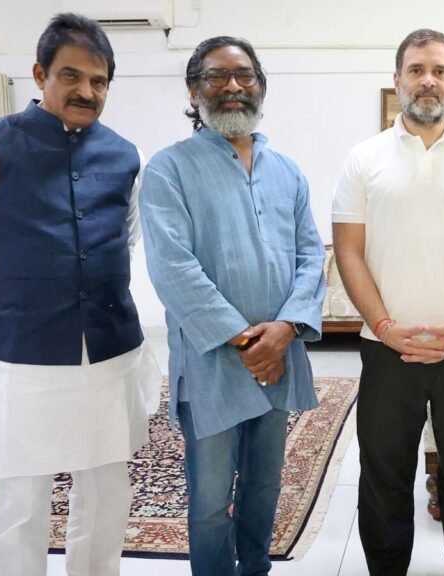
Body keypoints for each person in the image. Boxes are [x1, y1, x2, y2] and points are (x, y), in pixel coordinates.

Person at [0, 13, 160, 576]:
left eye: (100, 81)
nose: (87, 91)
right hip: (24, 354)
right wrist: (11, 304)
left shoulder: (125, 154)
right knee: (21, 494)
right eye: (71, 75)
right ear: (40, 75)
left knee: (108, 488)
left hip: (111, 351)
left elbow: (124, 239)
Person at [140, 35, 326, 576]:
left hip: (278, 354)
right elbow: (172, 268)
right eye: (217, 77)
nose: (233, 87)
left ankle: (257, 568)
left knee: (266, 482)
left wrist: (286, 329)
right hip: (214, 362)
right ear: (194, 89)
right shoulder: (169, 169)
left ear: (260, 87)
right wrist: (248, 341)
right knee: (210, 496)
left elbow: (311, 254)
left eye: (245, 76)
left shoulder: (286, 170)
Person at [332, 28, 444, 576]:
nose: (427, 80)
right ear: (397, 80)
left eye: (438, 70)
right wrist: (385, 328)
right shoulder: (363, 160)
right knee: (384, 475)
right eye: (416, 69)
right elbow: (349, 251)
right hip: (387, 351)